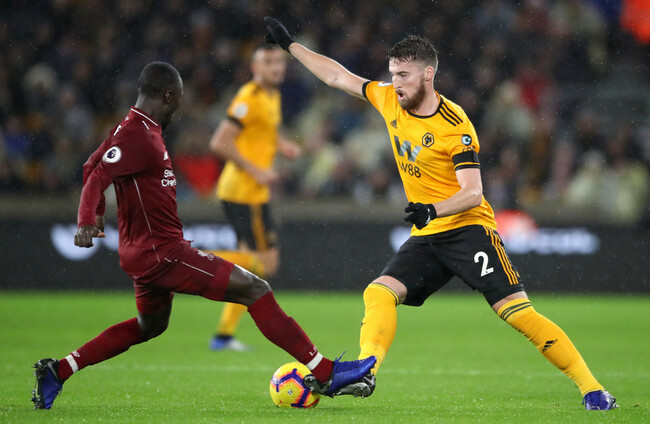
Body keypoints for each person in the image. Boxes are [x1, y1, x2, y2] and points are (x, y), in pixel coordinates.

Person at [264, 17, 617, 410]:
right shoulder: (387, 98)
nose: (396, 83)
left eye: (404, 75)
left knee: (516, 313)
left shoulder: (454, 125)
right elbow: (337, 76)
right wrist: (291, 46)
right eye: (393, 73)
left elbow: (473, 193)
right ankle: (366, 370)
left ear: (428, 75)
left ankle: (594, 390)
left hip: (468, 229)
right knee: (379, 292)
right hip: (429, 233)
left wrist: (432, 208)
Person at [31, 61, 375, 410]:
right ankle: (327, 372)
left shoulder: (131, 127)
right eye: (178, 99)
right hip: (163, 253)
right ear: (168, 96)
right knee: (255, 289)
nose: (180, 106)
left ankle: (59, 370)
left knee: (150, 325)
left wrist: (97, 215)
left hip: (142, 252)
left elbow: (91, 165)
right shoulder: (138, 135)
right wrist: (87, 219)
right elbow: (96, 177)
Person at [207, 44, 301, 351]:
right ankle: (192, 256)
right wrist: (256, 170)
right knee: (265, 264)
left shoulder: (272, 96)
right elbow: (219, 142)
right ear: (255, 67)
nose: (276, 67)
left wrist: (282, 145)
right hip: (243, 192)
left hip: (251, 192)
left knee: (250, 270)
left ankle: (223, 336)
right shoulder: (249, 97)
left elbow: (262, 133)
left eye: (279, 62)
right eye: (268, 62)